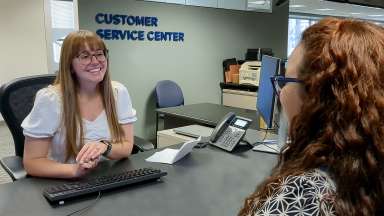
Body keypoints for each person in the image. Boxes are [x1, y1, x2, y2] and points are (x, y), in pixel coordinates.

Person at [239, 17, 384, 215]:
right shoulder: (369, 173)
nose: (280, 92)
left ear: (318, 97)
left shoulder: (303, 196)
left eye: (285, 80)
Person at [22, 30, 137, 178]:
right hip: (64, 182)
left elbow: (127, 146)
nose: (95, 61)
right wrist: (75, 170)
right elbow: (32, 162)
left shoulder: (118, 93)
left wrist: (104, 147)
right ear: (70, 64)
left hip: (108, 176)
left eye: (99, 54)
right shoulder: (50, 100)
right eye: (85, 56)